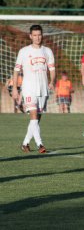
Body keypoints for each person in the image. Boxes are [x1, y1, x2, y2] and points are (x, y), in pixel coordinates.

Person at [12, 25, 55, 153]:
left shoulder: (47, 51)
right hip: (29, 88)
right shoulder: (24, 51)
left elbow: (52, 70)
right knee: (34, 115)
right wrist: (15, 88)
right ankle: (40, 144)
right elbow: (16, 71)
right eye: (34, 35)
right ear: (30, 36)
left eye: (39, 35)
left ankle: (25, 144)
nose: (37, 37)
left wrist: (52, 81)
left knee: (36, 118)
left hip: (43, 88)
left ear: (42, 35)